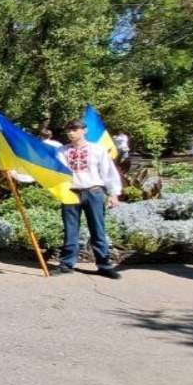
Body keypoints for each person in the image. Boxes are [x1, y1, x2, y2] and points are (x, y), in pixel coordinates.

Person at [56, 119, 123, 278]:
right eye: (69, 130)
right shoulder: (62, 151)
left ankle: (104, 265)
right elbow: (56, 172)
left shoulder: (97, 150)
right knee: (70, 230)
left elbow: (108, 172)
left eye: (74, 129)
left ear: (84, 130)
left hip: (93, 192)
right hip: (71, 193)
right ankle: (67, 264)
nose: (70, 133)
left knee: (97, 229)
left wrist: (113, 193)